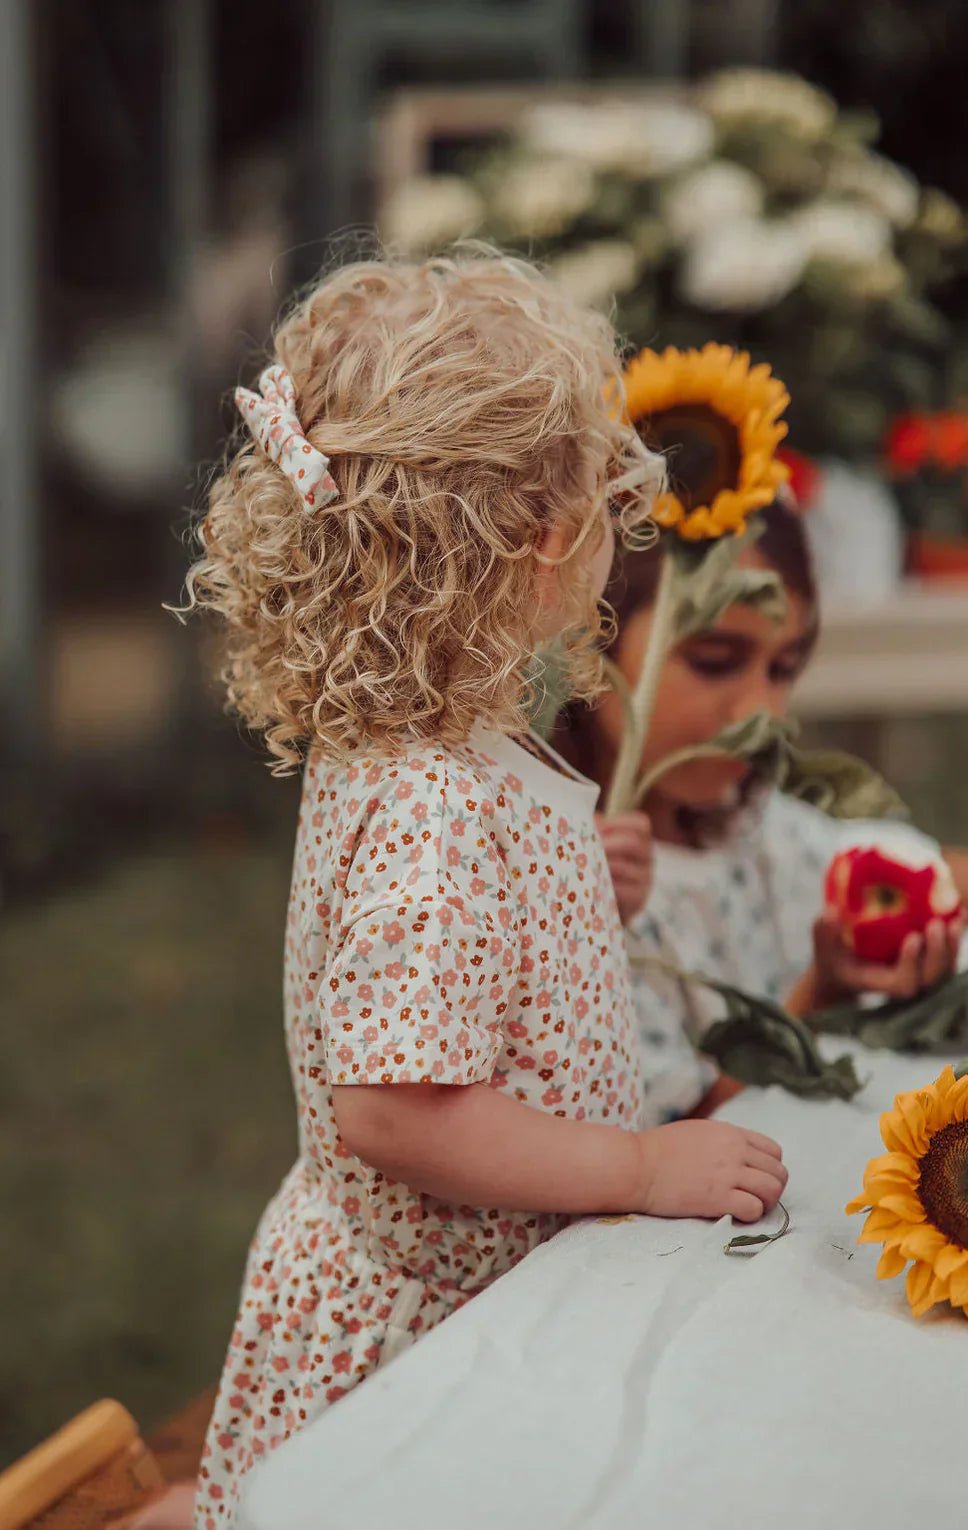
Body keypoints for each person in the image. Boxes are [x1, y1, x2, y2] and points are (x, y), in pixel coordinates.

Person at [181, 251, 788, 1524]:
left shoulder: (429, 740)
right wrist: (635, 1167)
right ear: (545, 541)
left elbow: (452, 969)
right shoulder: (435, 806)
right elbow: (396, 1111)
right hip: (431, 1348)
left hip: (472, 1295)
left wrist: (578, 893)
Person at [561, 495, 968, 1124]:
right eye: (716, 660)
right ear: (589, 635)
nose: (763, 713)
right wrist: (821, 994)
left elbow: (902, 869)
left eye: (783, 669)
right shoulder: (562, 870)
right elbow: (675, 1134)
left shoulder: (747, 828)